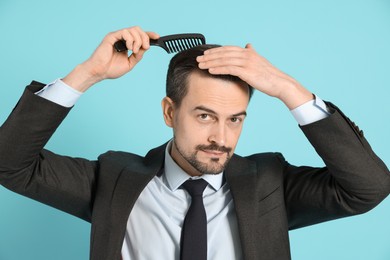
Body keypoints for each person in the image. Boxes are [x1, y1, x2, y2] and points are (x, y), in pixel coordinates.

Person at [0, 26, 389, 260]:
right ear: (170, 112)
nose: (221, 137)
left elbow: (368, 187)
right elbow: (9, 164)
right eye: (205, 116)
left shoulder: (271, 184)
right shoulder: (114, 178)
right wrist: (87, 73)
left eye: (235, 119)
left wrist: (288, 89)